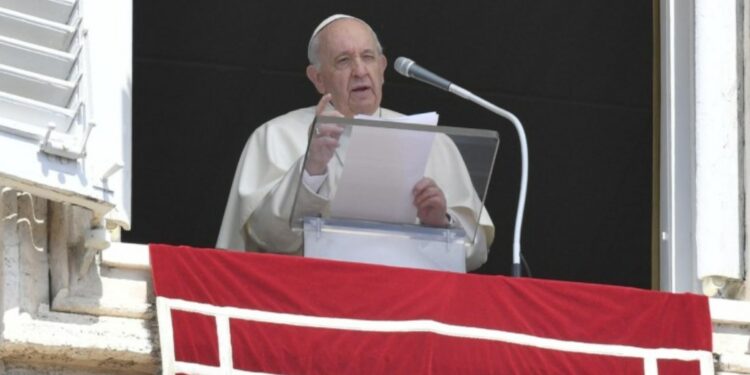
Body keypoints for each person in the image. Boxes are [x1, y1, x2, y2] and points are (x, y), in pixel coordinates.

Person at [217, 14, 494, 271]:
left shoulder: (435, 142)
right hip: (312, 304)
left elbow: (477, 252)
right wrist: (311, 170)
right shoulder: (275, 137)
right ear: (319, 79)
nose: (360, 70)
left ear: (382, 68)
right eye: (344, 61)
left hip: (409, 308)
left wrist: (441, 223)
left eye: (368, 57)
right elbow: (269, 239)